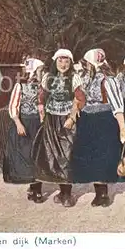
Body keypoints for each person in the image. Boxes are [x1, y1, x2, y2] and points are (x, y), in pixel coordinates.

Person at [71, 48, 125, 207]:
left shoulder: (108, 80)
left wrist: (123, 129)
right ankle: (99, 192)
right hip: (87, 121)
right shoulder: (84, 80)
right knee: (92, 157)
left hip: (104, 121)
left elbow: (118, 106)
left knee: (104, 157)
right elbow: (78, 99)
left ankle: (103, 194)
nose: (84, 67)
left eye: (86, 64)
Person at [32, 49, 85, 207]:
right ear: (55, 62)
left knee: (66, 156)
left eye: (67, 61)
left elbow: (80, 99)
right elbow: (42, 96)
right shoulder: (48, 78)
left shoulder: (74, 78)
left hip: (66, 120)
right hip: (51, 119)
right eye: (61, 61)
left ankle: (67, 193)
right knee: (51, 155)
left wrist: (72, 117)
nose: (63, 64)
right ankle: (61, 191)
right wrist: (41, 108)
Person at [3, 57, 45, 201]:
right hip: (25, 124)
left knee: (38, 156)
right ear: (33, 71)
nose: (42, 73)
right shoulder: (20, 86)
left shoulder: (41, 87)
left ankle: (37, 189)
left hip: (38, 124)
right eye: (40, 70)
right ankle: (33, 187)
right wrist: (18, 123)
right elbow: (13, 106)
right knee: (27, 156)